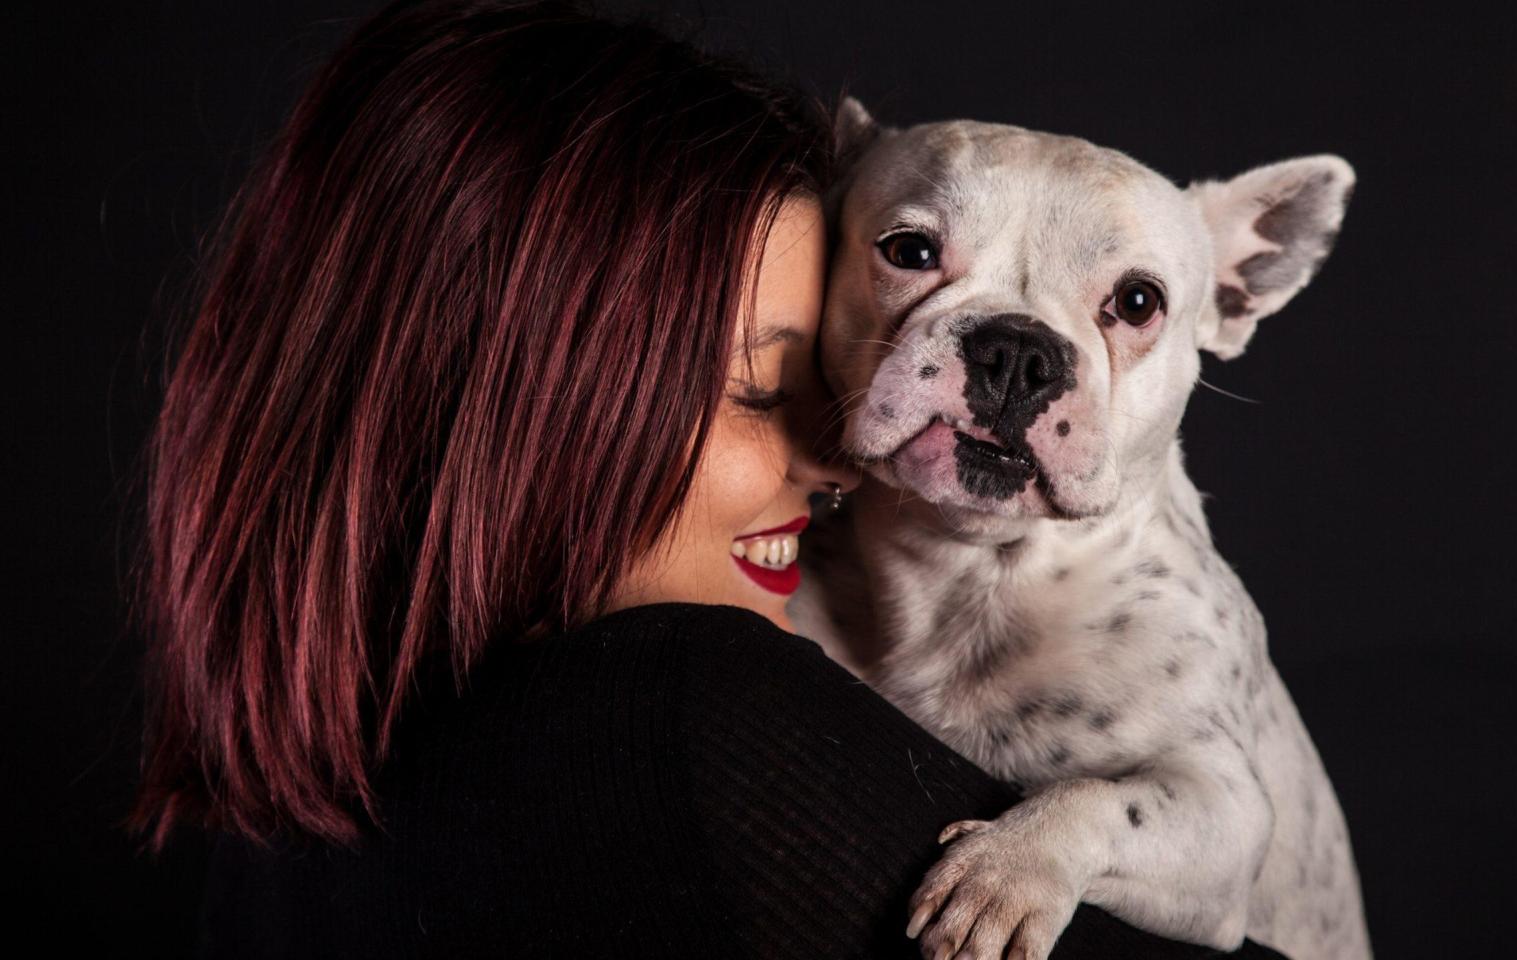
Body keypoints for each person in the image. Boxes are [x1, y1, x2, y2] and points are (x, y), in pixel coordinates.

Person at [130, 1, 1287, 956]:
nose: (838, 456)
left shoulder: (237, 822)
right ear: (526, 411)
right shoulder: (692, 718)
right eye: (759, 391)